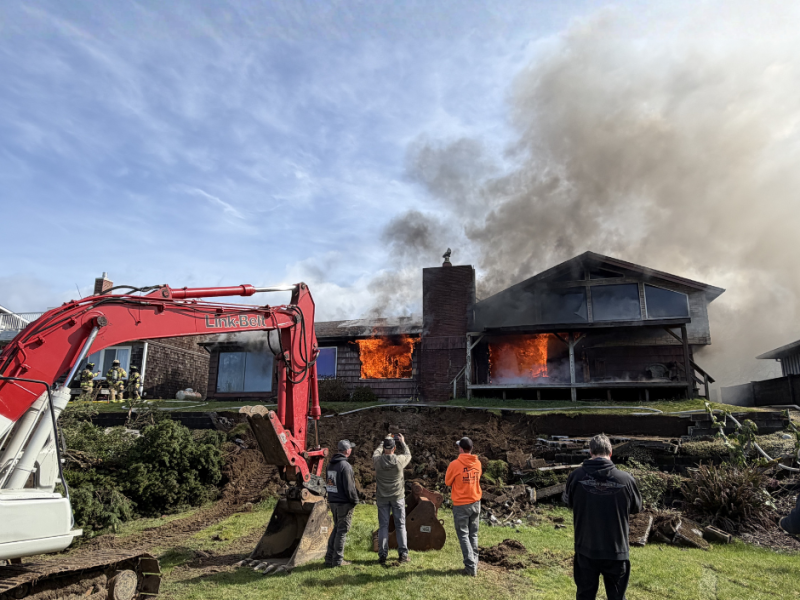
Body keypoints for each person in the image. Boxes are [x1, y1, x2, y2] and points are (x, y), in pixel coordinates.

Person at [563, 433, 643, 600]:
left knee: (585, 596)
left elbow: (568, 502)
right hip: (616, 551)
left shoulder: (576, 477)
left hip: (586, 549)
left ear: (590, 452)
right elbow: (637, 508)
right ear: (611, 452)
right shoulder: (626, 480)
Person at [445, 436, 483, 576]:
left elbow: (448, 482)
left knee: (463, 535)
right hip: (476, 502)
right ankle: (475, 562)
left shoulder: (454, 464)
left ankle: (470, 567)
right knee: (473, 534)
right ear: (471, 449)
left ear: (461, 449)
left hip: (461, 504)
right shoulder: (477, 463)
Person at [373, 433, 412, 564]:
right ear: (394, 448)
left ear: (384, 448)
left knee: (383, 526)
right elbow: (408, 454)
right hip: (397, 497)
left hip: (382, 498)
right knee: (400, 525)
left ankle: (383, 555)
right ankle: (403, 555)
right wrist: (403, 442)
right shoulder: (399, 461)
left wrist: (383, 441)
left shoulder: (377, 461)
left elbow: (376, 452)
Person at [324, 439, 359, 568]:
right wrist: (355, 501)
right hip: (343, 502)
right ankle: (338, 560)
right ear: (347, 451)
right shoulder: (345, 466)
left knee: (337, 529)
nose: (351, 450)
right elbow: (350, 487)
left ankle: (329, 558)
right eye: (350, 448)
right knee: (342, 530)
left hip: (333, 501)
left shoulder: (330, 465)